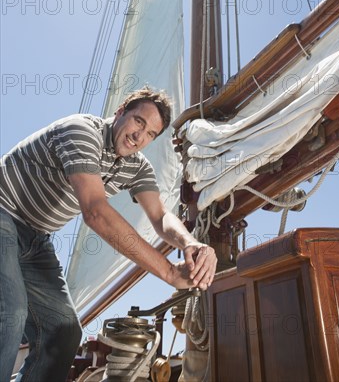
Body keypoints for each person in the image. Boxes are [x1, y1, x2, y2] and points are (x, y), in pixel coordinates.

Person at [0, 87, 217, 382]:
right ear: (120, 111)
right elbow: (95, 212)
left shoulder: (137, 168)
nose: (140, 136)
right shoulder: (81, 131)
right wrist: (168, 272)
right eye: (139, 121)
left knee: (64, 332)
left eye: (151, 133)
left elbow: (161, 216)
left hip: (36, 237)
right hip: (3, 212)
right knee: (10, 314)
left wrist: (191, 243)